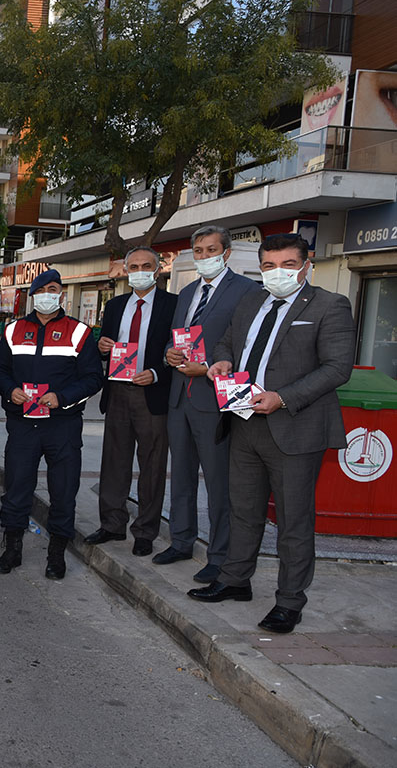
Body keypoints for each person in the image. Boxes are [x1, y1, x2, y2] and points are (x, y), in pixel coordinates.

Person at [189, 234, 354, 634]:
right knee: (243, 510)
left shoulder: (330, 306)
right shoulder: (251, 301)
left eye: (287, 264)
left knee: (294, 521)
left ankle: (290, 602)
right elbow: (228, 342)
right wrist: (221, 361)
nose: (277, 273)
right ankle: (235, 579)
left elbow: (337, 368)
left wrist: (283, 397)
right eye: (268, 265)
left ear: (306, 265)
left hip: (295, 429)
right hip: (244, 422)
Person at [156, 226, 257, 583]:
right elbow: (178, 337)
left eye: (211, 249)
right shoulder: (186, 292)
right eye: (198, 251)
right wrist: (170, 354)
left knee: (219, 483)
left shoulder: (247, 292)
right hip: (180, 398)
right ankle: (181, 540)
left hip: (216, 399)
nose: (204, 256)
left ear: (226, 253)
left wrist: (209, 369)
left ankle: (220, 555)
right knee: (181, 475)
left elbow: (248, 347)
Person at [0, 269, 102, 580]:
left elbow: (94, 378)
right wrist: (9, 389)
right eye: (41, 289)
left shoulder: (79, 332)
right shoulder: (13, 331)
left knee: (63, 490)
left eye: (53, 288)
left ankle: (56, 554)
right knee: (16, 487)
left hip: (62, 425)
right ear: (33, 295)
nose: (47, 294)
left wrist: (62, 396)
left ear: (62, 294)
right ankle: (12, 548)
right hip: (23, 424)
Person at [86, 247, 178, 556]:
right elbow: (105, 347)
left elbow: (180, 351)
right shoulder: (115, 305)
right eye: (134, 266)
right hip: (118, 392)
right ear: (126, 270)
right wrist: (101, 346)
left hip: (151, 395)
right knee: (114, 462)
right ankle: (112, 524)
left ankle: (145, 532)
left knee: (151, 467)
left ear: (158, 269)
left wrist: (155, 373)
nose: (139, 270)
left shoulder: (173, 305)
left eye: (146, 265)